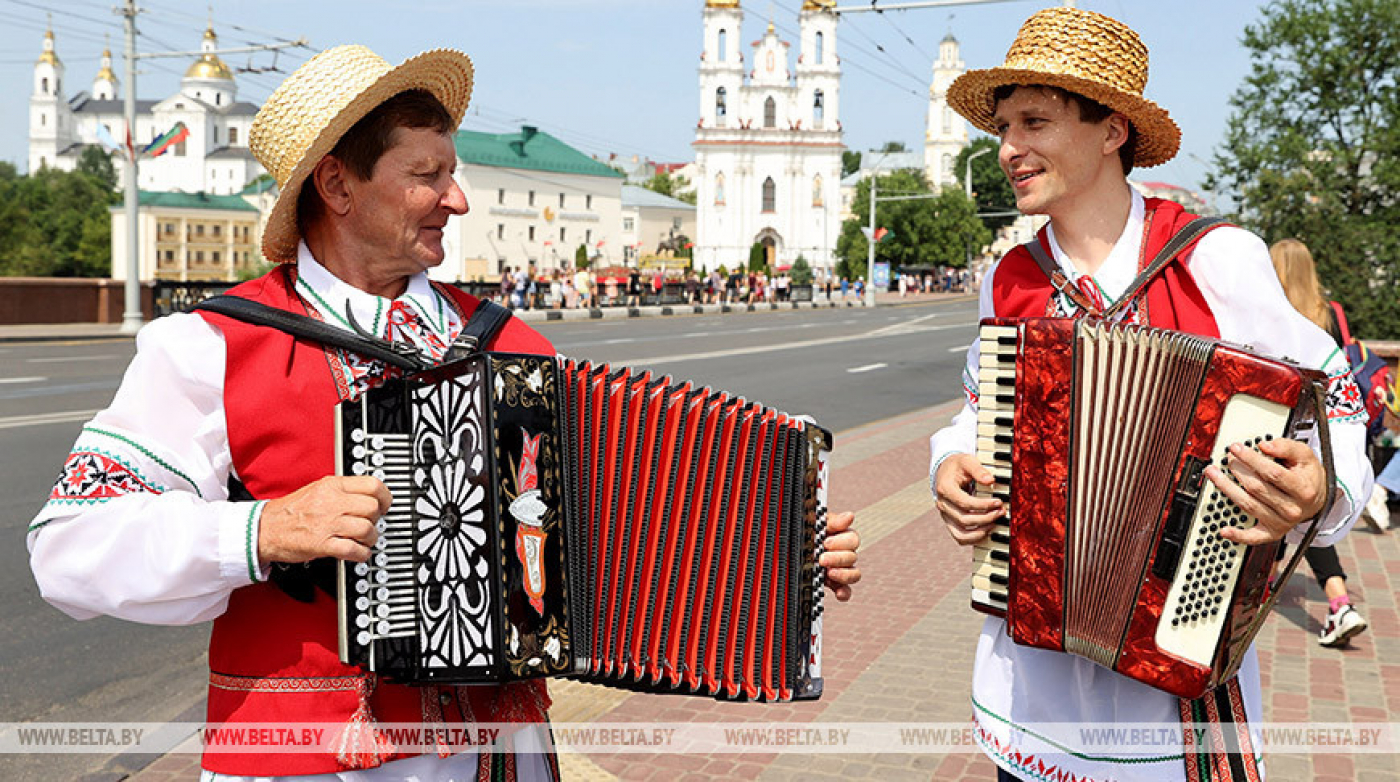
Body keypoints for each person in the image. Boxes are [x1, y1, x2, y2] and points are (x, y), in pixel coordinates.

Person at [27, 45, 862, 781]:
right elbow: (67, 549)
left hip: (499, 760)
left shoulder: (509, 342)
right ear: (338, 186)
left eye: (451, 171)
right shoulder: (212, 346)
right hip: (309, 766)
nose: (455, 199)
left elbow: (608, 524)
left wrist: (779, 549)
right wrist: (258, 532)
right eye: (426, 175)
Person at [928, 9, 1372, 781]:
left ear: (1112, 132)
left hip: (1177, 700)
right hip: (1031, 694)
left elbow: (1338, 396)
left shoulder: (1218, 260)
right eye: (1002, 126)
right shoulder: (1012, 278)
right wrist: (951, 461)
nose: (1007, 150)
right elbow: (976, 407)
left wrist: (1321, 484)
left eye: (1034, 120)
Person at [1269, 238, 1371, 646]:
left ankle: (1337, 604)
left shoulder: (1269, 316)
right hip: (1326, 434)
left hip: (1279, 427)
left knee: (1290, 510)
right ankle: (1337, 603)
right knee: (1303, 510)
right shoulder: (1331, 314)